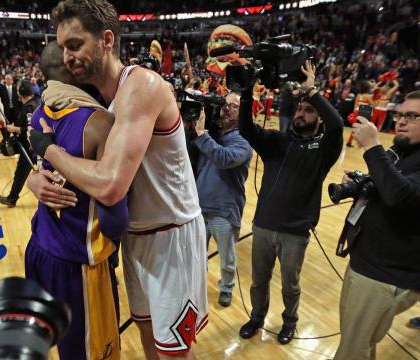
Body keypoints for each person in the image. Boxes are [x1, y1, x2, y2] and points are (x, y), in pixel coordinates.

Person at [28, 1, 207, 358]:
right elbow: (78, 168)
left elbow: (110, 185)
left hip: (171, 235)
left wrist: (49, 152)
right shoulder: (96, 98)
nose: (67, 56)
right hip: (134, 236)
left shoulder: (141, 85)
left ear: (107, 40)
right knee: (146, 334)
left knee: (173, 350)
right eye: (63, 47)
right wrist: (38, 178)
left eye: (75, 45)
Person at [25, 41, 127, 360]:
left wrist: (33, 179)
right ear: (75, 68)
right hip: (79, 261)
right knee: (94, 353)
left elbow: (35, 163)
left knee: (63, 345)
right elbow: (115, 218)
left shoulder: (42, 110)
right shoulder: (99, 123)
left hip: (39, 248)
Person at [333, 90, 420, 360]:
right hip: (368, 261)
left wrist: (373, 147)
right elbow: (389, 187)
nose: (401, 121)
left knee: (352, 350)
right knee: (359, 342)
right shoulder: (403, 149)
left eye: (412, 115)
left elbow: (401, 196)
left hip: (389, 273)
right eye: (399, 115)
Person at [237, 61, 343, 345]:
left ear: (318, 118)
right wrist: (247, 94)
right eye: (299, 109)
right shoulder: (277, 142)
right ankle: (257, 318)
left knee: (289, 285)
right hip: (262, 226)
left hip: (295, 232)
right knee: (258, 281)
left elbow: (338, 125)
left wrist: (314, 93)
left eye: (309, 111)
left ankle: (289, 323)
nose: (301, 113)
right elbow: (246, 128)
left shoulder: (323, 149)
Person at [192, 92, 252, 307]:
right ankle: (197, 285)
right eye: (225, 104)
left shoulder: (244, 140)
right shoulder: (213, 133)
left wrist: (201, 134)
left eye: (234, 106)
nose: (227, 108)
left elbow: (224, 158)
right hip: (199, 207)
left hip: (224, 211)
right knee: (198, 254)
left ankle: (226, 288)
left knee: (227, 258)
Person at [0, 80, 38, 207]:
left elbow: (32, 130)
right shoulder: (29, 105)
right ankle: (12, 198)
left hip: (31, 148)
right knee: (21, 174)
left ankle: (12, 199)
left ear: (20, 93)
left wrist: (14, 129)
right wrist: (16, 126)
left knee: (20, 174)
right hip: (30, 147)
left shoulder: (30, 107)